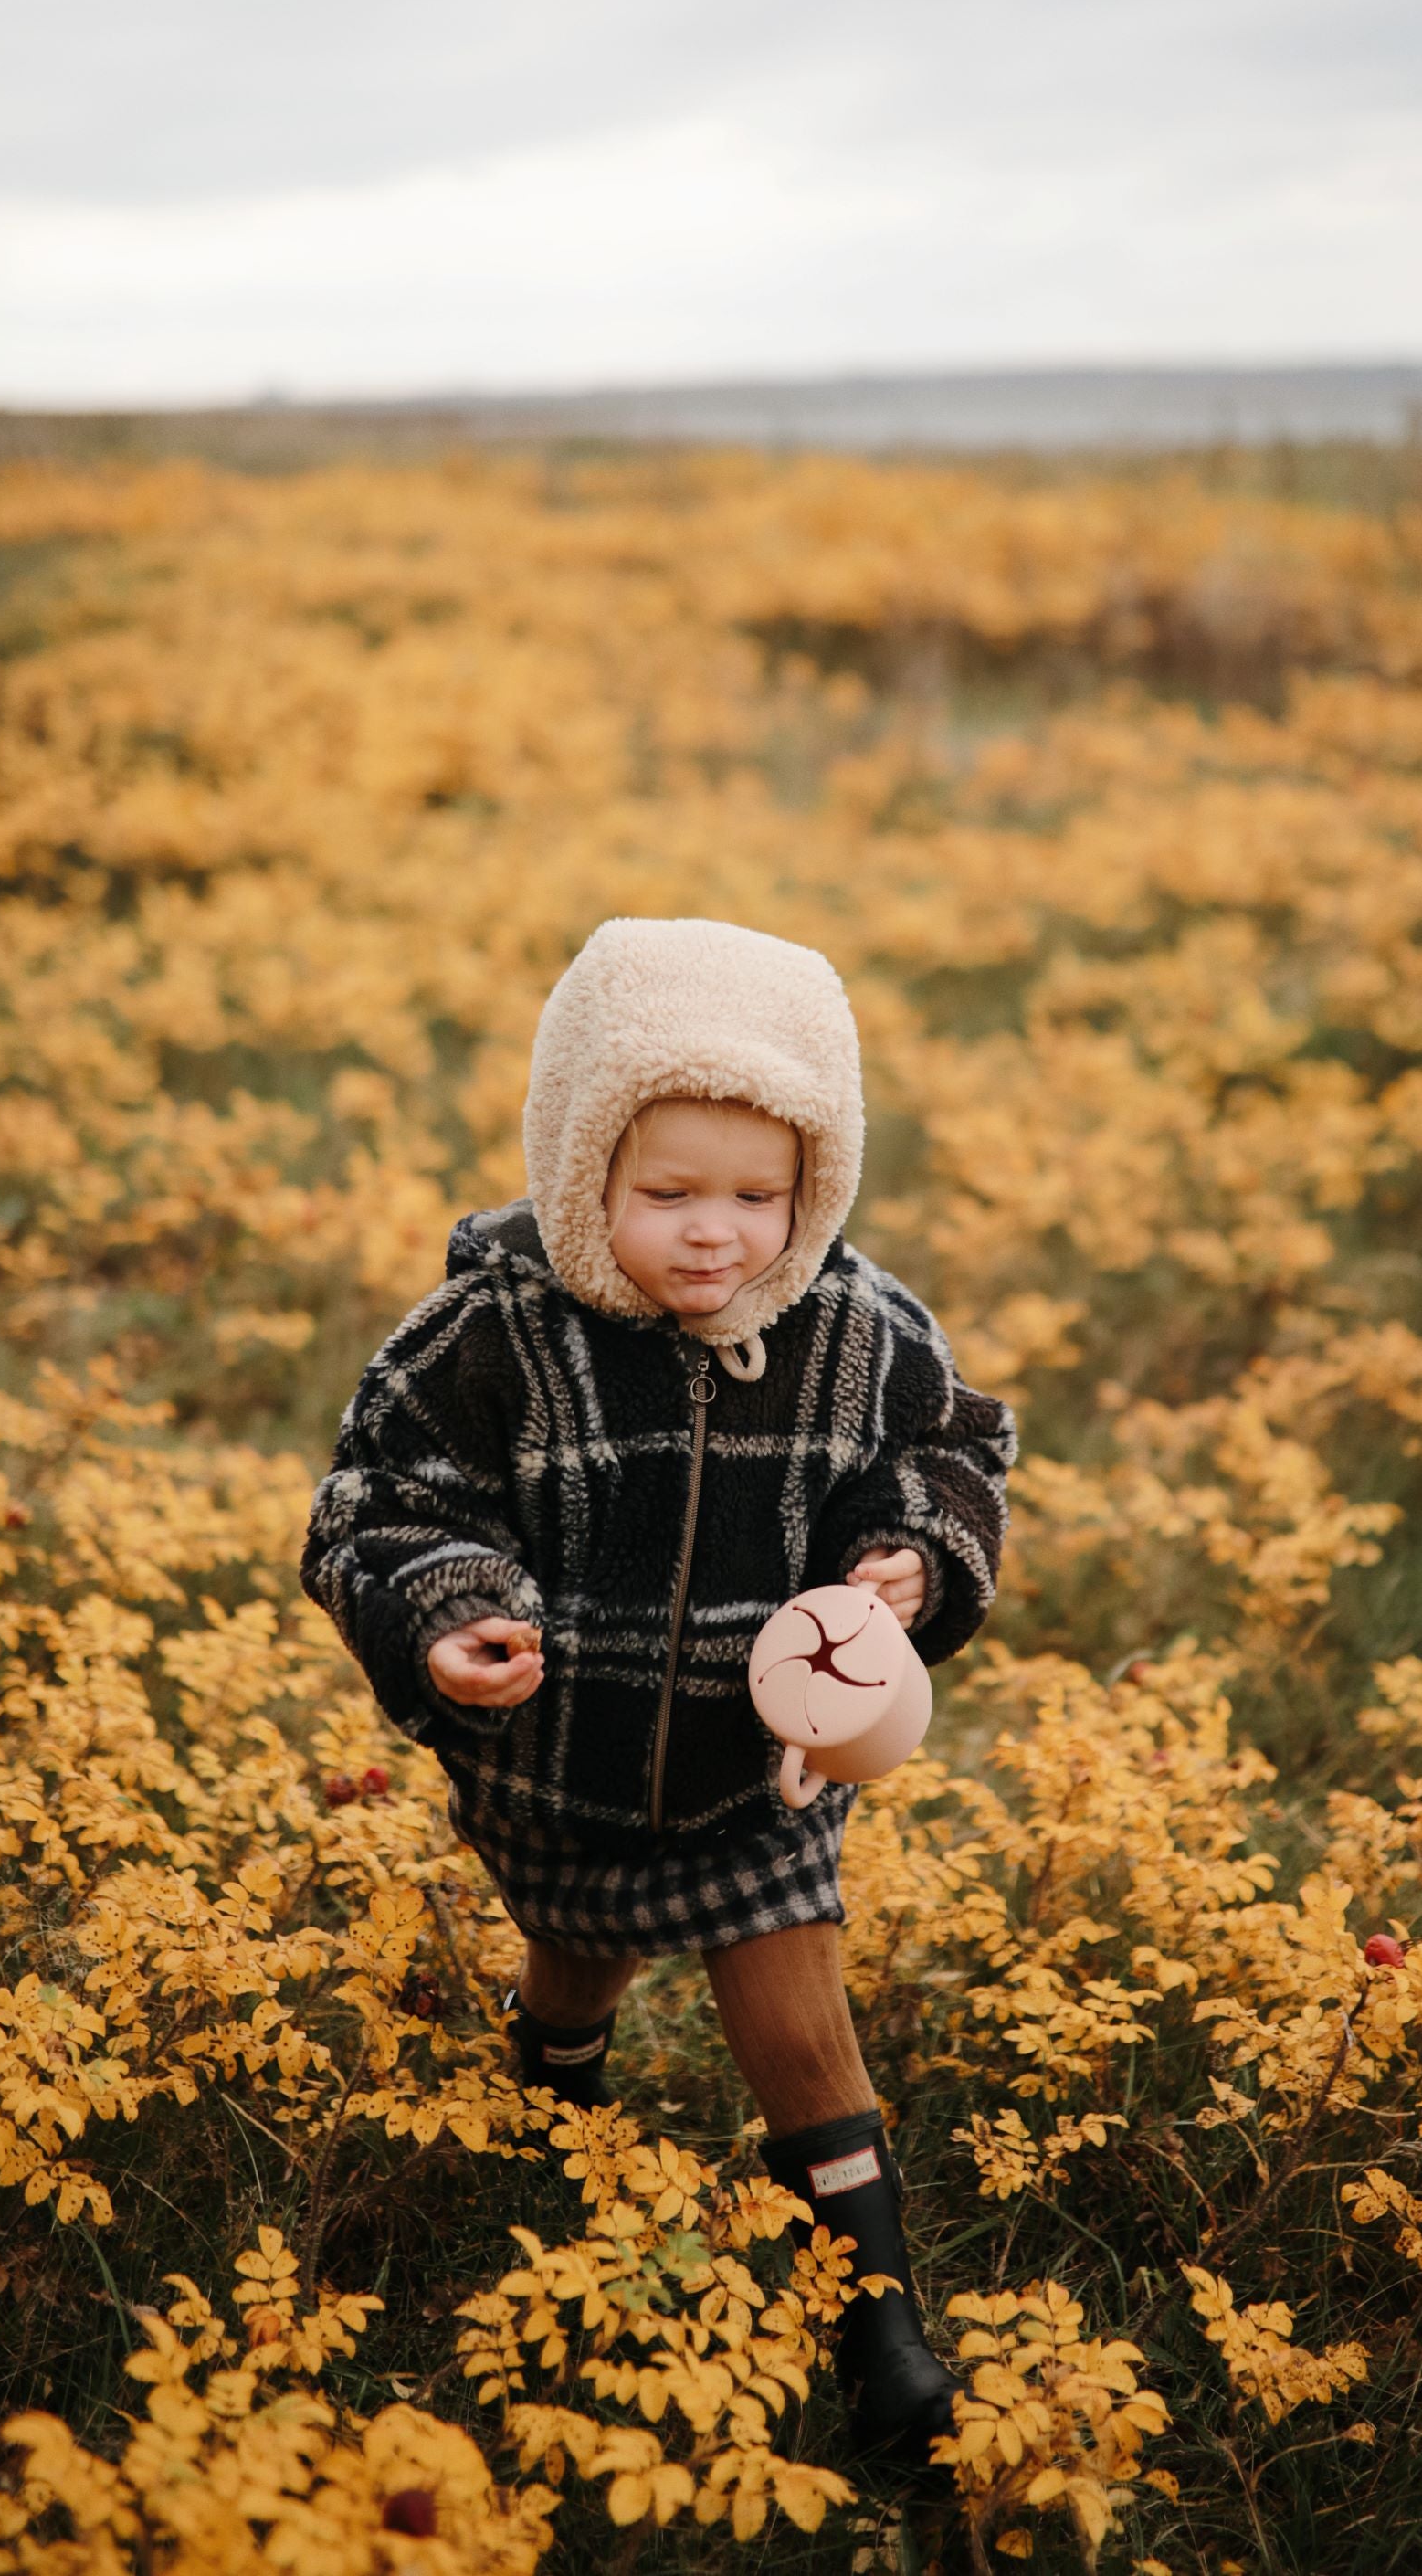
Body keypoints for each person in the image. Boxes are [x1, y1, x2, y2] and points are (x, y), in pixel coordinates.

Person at [300, 915, 1016, 2465]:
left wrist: (911, 1553)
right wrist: (447, 1617)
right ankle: (555, 2067)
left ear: (813, 1183)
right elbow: (384, 1503)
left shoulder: (856, 1328)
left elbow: (953, 1450)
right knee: (573, 1952)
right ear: (578, 1171)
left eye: (760, 1196)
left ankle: (876, 2324)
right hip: (556, 1762)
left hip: (757, 1774)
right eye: (667, 1194)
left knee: (797, 2015)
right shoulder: (488, 1333)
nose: (717, 1236)